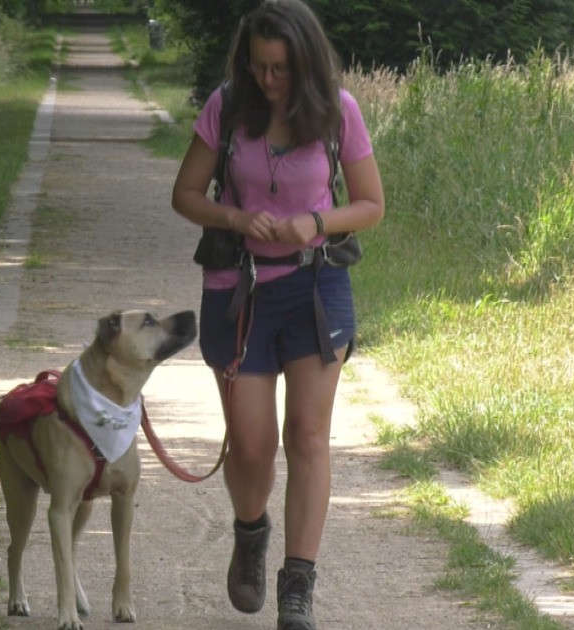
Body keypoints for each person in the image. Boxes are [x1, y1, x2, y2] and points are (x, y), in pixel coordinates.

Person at [170, 1, 385, 628]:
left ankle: (299, 586)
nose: (270, 81)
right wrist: (235, 218)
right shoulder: (227, 107)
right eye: (260, 67)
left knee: (309, 437)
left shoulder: (338, 111)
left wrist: (315, 222)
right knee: (253, 446)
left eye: (282, 69)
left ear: (306, 62)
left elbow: (371, 204)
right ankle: (251, 531)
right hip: (238, 290)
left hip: (316, 289)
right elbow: (184, 193)